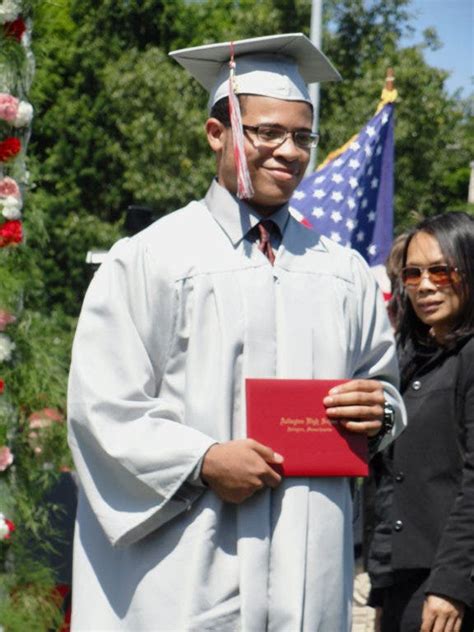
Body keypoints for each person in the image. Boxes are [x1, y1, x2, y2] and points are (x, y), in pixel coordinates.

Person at [67, 33, 405, 631]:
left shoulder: (341, 270)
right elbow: (102, 407)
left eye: (303, 136)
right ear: (217, 134)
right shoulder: (150, 259)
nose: (289, 151)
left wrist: (380, 409)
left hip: (310, 561)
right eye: (267, 132)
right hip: (190, 560)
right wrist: (201, 459)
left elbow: (381, 386)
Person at [368, 211, 474, 631]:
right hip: (403, 582)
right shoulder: (407, 363)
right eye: (413, 274)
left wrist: (451, 584)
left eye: (441, 272)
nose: (425, 285)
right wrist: (382, 587)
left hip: (449, 588)